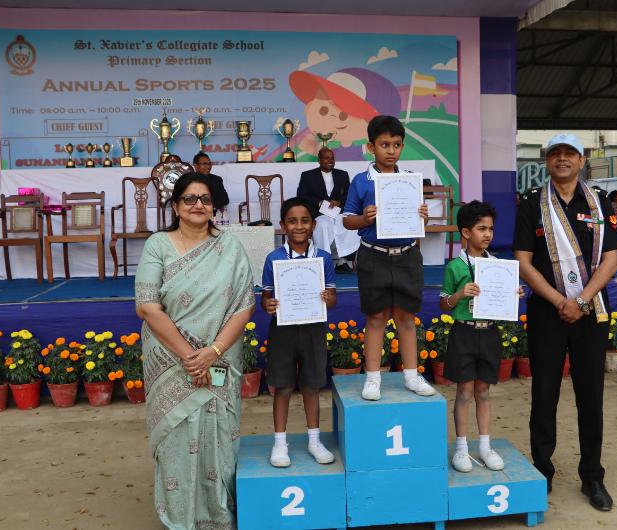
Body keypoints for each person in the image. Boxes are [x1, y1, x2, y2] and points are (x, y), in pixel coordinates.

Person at [135, 172, 255, 529]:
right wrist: (191, 356)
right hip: (171, 359)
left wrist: (212, 352)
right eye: (189, 198)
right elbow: (147, 306)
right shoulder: (158, 244)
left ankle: (218, 513)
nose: (197, 205)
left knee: (219, 434)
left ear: (214, 206)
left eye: (205, 199)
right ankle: (179, 516)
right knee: (176, 435)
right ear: (175, 206)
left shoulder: (230, 247)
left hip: (220, 357)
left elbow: (244, 305)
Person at [514, 133, 617, 511]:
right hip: (548, 312)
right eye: (555, 153)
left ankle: (592, 476)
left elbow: (611, 259)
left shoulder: (600, 201)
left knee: (590, 395)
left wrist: (581, 299)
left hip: (590, 312)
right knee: (544, 393)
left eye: (570, 153)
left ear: (581, 160)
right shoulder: (531, 203)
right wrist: (561, 301)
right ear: (547, 161)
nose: (562, 159)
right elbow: (523, 261)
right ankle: (541, 471)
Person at [342, 115, 435, 400]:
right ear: (371, 147)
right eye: (384, 145)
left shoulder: (410, 180)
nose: (391, 150)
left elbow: (419, 223)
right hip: (374, 256)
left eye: (396, 144)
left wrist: (423, 217)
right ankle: (372, 378)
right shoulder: (361, 181)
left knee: (406, 318)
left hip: (407, 256)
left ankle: (411, 376)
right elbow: (347, 221)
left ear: (402, 146)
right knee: (376, 318)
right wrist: (364, 218)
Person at [441, 200, 524, 473]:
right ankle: (461, 448)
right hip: (463, 332)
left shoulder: (498, 266)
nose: (487, 234)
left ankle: (486, 447)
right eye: (481, 228)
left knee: (484, 391)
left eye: (490, 229)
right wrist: (459, 294)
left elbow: (502, 300)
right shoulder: (455, 267)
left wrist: (513, 294)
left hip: (489, 333)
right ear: (466, 232)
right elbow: (443, 303)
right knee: (464, 391)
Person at [261, 197, 338, 468]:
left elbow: (332, 299)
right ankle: (280, 443)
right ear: (283, 225)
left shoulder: (323, 258)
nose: (299, 226)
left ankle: (314, 440)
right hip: (282, 330)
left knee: (311, 385)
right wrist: (268, 304)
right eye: (292, 221)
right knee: (282, 386)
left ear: (313, 224)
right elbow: (266, 298)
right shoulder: (274, 259)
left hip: (313, 329)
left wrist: (328, 297)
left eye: (305, 221)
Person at [296, 148, 360, 272]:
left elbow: (349, 195)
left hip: (338, 212)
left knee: (349, 225)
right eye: (326, 158)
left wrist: (339, 202)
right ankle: (324, 261)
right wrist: (320, 202)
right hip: (319, 213)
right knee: (323, 226)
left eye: (332, 158)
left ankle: (342, 260)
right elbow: (301, 196)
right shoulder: (307, 175)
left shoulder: (343, 174)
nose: (330, 161)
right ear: (319, 160)